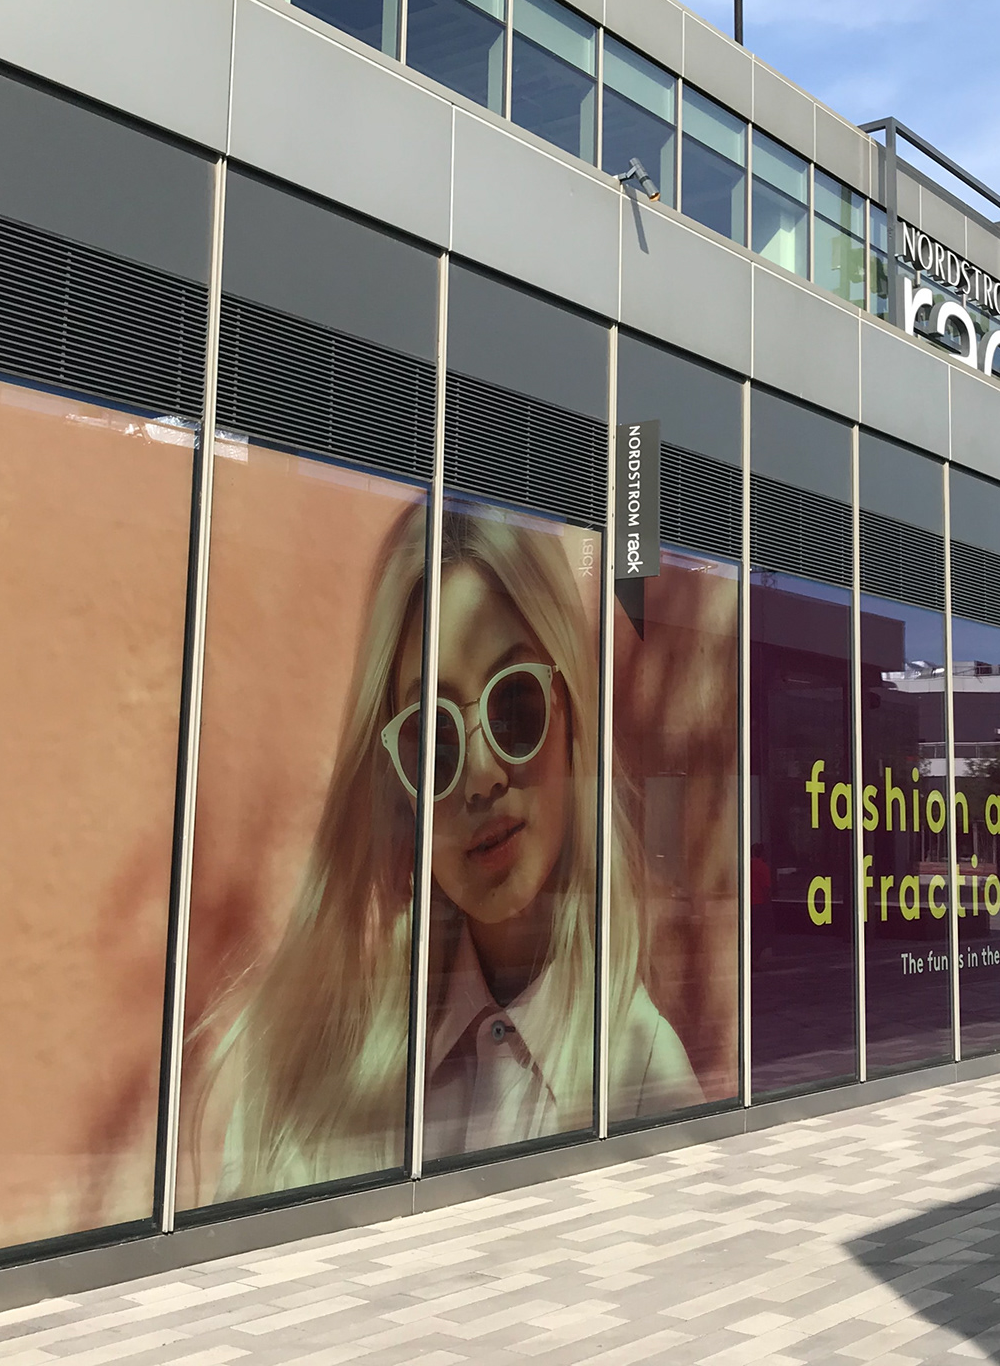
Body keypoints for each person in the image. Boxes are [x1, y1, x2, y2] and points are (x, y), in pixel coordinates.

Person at [191, 501, 700, 1200]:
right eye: (433, 740)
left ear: (571, 715)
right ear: (399, 783)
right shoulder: (301, 1074)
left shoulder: (643, 1076)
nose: (484, 774)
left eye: (513, 704)